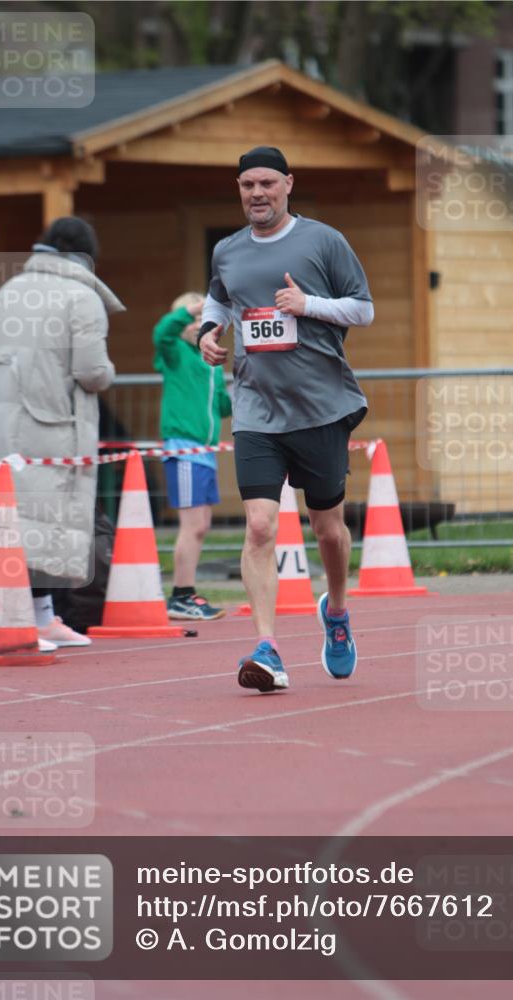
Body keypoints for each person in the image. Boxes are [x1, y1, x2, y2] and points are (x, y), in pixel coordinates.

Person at [198, 146, 374, 693]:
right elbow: (219, 300)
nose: (257, 193)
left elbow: (362, 308)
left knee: (327, 529)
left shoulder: (323, 241)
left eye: (267, 183)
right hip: (256, 409)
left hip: (320, 407)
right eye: (247, 184)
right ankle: (267, 647)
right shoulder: (227, 251)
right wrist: (208, 332)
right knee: (259, 525)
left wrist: (308, 304)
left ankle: (337, 612)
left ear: (288, 184)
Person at [0, 216, 123, 648]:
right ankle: (31, 621)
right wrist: (109, 372)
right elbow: (91, 371)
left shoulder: (6, 291)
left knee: (14, 519)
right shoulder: (81, 295)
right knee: (45, 522)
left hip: (0, 419)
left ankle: (42, 616)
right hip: (50, 423)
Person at [153, 291, 232, 621]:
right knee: (193, 525)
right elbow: (162, 333)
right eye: (193, 319)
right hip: (184, 448)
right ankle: (181, 595)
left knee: (202, 525)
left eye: (204, 318)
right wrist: (190, 310)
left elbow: (223, 406)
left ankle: (187, 592)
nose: (198, 323)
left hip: (205, 452)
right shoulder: (174, 353)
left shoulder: (209, 363)